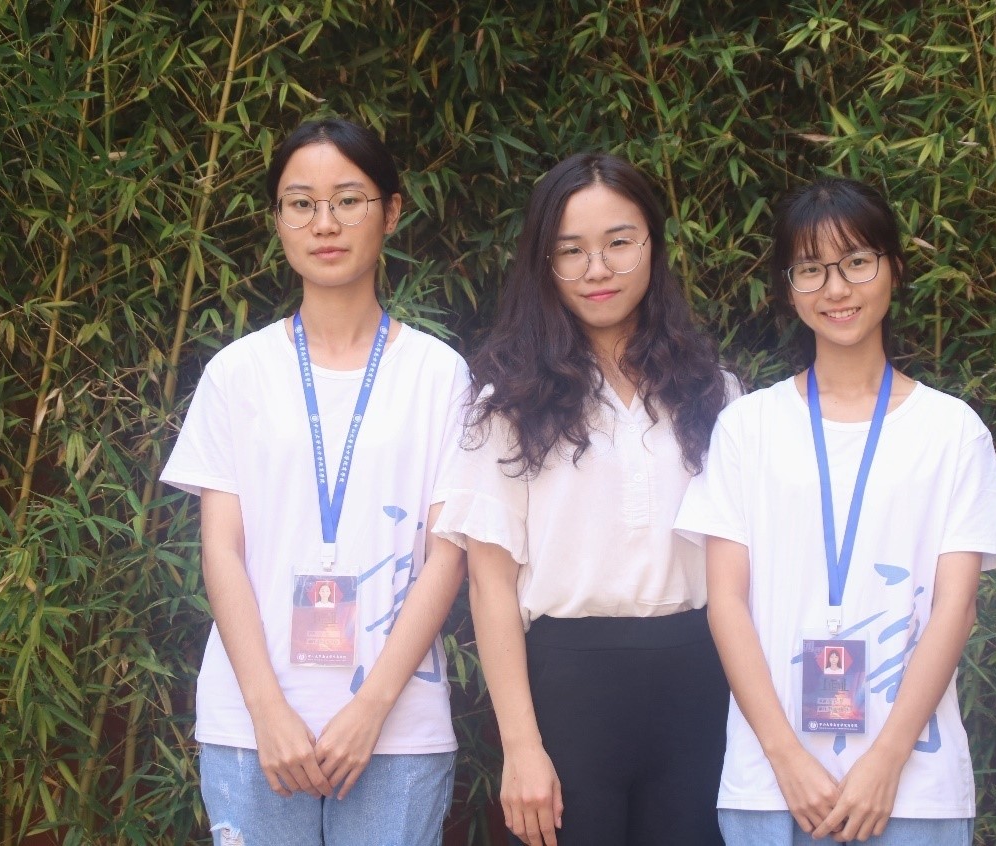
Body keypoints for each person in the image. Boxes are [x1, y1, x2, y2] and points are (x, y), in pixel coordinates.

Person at [675, 176, 996, 845]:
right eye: (811, 269)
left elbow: (956, 607)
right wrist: (785, 758)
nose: (836, 288)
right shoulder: (746, 427)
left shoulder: (952, 431)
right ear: (788, 288)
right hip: (771, 786)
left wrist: (886, 761)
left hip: (913, 787)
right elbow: (725, 601)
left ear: (894, 267)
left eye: (857, 261)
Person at [160, 118, 467, 845]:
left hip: (398, 726)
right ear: (277, 220)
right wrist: (267, 710)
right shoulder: (237, 373)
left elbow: (448, 553)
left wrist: (371, 708)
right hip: (253, 724)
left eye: (349, 200)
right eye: (301, 204)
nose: (324, 224)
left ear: (391, 212)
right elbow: (221, 548)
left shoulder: (439, 374)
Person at [434, 153, 735, 846]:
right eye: (570, 251)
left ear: (653, 245)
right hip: (567, 692)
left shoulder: (716, 394)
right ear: (543, 265)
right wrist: (521, 747)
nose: (597, 269)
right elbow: (490, 583)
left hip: (698, 686)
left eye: (618, 243)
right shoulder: (507, 405)